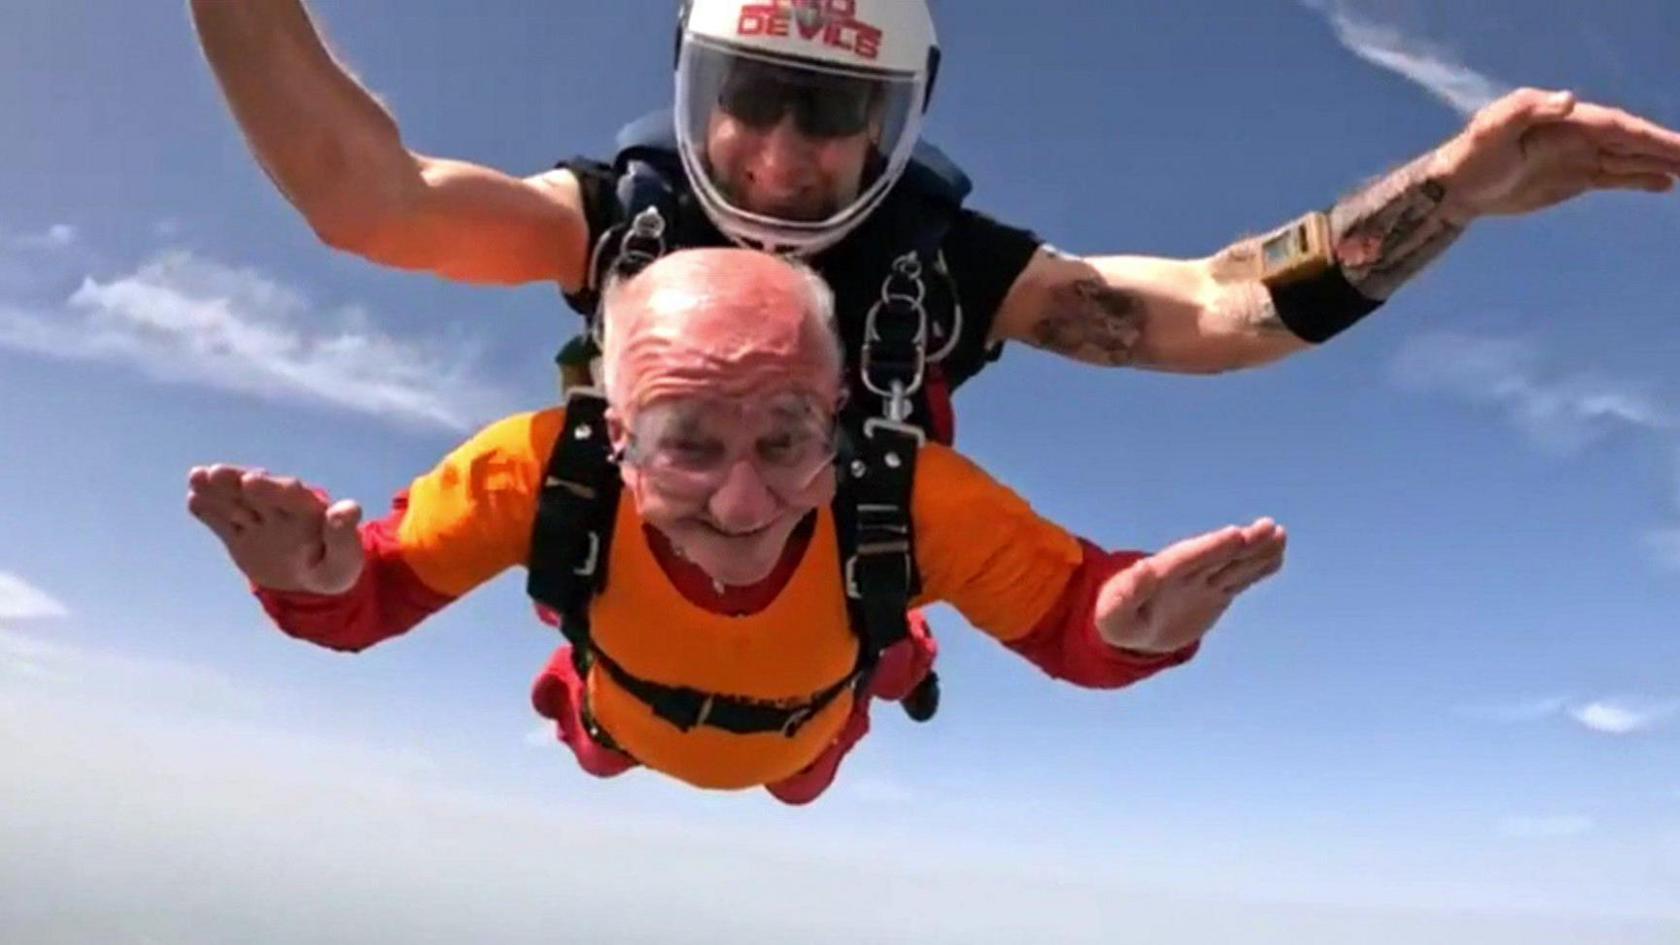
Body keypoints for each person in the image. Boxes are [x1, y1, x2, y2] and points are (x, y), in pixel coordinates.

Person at [189, 0, 1680, 442]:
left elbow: (1220, 313)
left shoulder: (944, 264)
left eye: (834, 114)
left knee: (801, 734)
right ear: (687, 86)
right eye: (749, 97)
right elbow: (366, 200)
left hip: (842, 612)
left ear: (899, 118)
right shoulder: (620, 215)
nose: (778, 151)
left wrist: (1454, 192)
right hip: (634, 575)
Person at [185, 248, 1288, 804]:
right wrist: (315, 582)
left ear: (844, 418)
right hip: (625, 712)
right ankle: (891, 655)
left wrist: (1126, 629)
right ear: (613, 435)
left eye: (787, 438)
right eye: (688, 443)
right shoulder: (536, 472)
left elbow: (1067, 625)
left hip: (807, 726)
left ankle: (898, 657)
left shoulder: (910, 498)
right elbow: (367, 601)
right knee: (603, 751)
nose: (745, 502)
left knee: (801, 778)